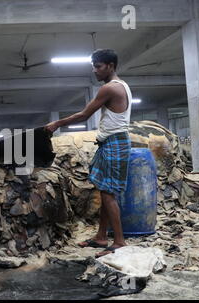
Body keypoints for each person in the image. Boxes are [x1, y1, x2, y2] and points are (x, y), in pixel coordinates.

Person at [45, 49, 132, 258]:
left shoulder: (111, 88)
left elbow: (85, 115)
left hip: (115, 143)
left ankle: (119, 241)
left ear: (110, 65)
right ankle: (101, 236)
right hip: (109, 142)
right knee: (104, 190)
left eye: (98, 66)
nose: (94, 71)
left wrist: (57, 123)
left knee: (108, 193)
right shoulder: (122, 86)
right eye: (93, 66)